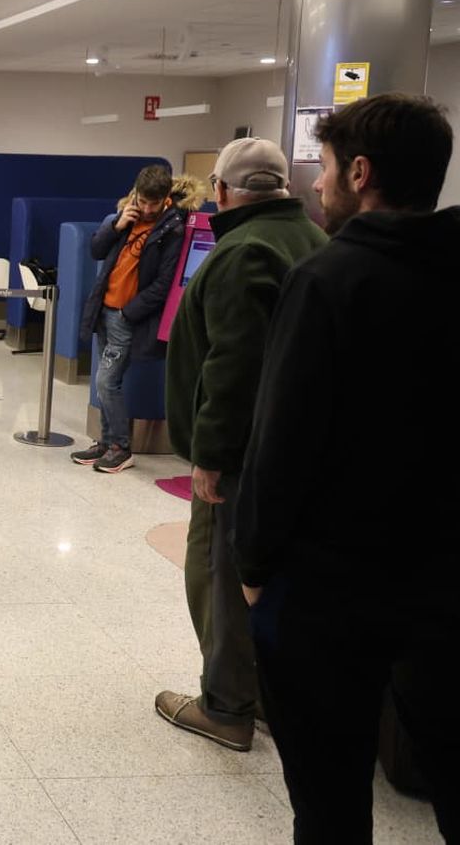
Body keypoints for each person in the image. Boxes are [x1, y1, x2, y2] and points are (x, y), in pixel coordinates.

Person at [236, 94, 460, 842]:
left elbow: (284, 438)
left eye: (326, 168)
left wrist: (255, 559)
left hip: (333, 585)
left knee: (330, 797)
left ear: (360, 172)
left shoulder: (331, 281)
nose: (318, 186)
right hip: (446, 575)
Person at [157, 139, 325, 753]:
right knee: (271, 577)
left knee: (218, 572)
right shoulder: (312, 239)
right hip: (291, 451)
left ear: (222, 192)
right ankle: (265, 695)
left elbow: (236, 364)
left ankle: (226, 704)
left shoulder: (241, 250)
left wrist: (213, 454)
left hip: (243, 456)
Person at [71, 164, 186, 474]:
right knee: (104, 381)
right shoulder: (123, 218)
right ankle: (106, 442)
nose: (147, 209)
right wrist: (118, 225)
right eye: (142, 201)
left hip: (126, 315)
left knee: (107, 382)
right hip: (104, 309)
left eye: (154, 203)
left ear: (165, 199)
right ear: (135, 194)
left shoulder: (172, 229)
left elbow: (164, 284)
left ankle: (121, 447)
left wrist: (128, 312)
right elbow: (96, 249)